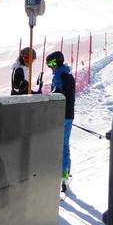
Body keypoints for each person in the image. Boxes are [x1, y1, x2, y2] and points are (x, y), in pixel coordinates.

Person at [45, 51, 76, 193]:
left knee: (57, 145)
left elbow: (58, 95)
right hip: (68, 115)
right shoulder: (69, 75)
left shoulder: (59, 76)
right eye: (48, 64)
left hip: (60, 115)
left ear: (57, 62)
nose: (50, 67)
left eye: (51, 64)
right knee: (64, 145)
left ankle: (60, 174)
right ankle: (65, 172)